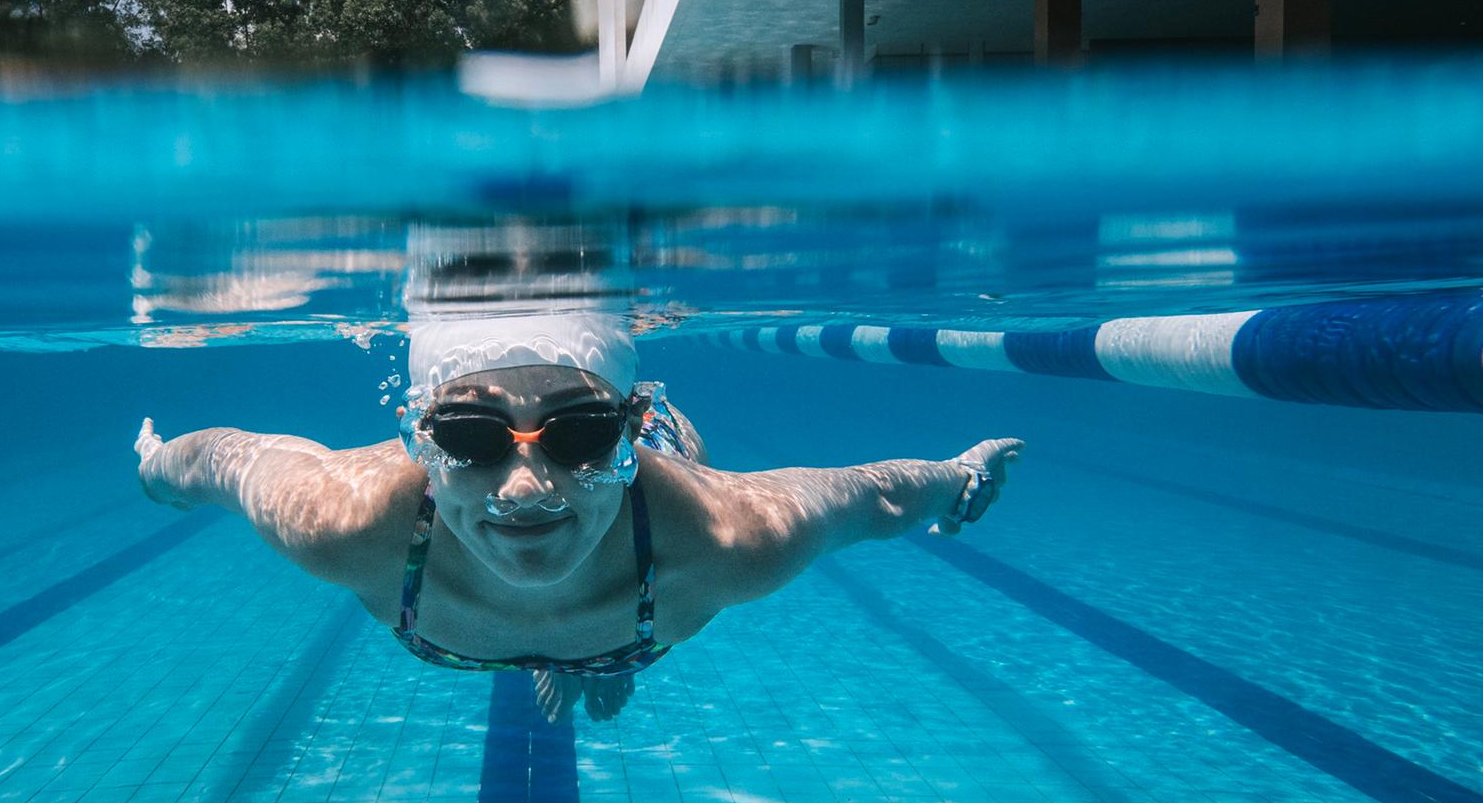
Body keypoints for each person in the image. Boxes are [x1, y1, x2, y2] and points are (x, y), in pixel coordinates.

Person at [135, 309, 1022, 722]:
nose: (526, 489)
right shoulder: (341, 518)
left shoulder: (727, 537)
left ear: (630, 429)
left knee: (604, 659)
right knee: (597, 655)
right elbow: (220, 461)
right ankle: (595, 649)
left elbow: (875, 496)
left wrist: (960, 479)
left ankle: (599, 654)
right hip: (633, 604)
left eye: (583, 433)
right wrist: (154, 470)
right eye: (472, 438)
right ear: (420, 437)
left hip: (641, 574)